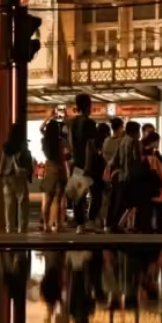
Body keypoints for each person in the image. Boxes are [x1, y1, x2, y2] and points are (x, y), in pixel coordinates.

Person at [67, 93, 99, 231]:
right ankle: (90, 220)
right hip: (88, 162)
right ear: (87, 106)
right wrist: (89, 163)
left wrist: (73, 159)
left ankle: (80, 223)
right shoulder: (89, 123)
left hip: (76, 162)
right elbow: (89, 145)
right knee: (96, 192)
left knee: (78, 193)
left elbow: (70, 142)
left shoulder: (71, 122)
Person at [0, 124, 34, 233]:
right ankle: (22, 228)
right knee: (22, 202)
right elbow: (28, 160)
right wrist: (29, 173)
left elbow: (2, 162)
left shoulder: (6, 146)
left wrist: (1, 173)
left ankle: (9, 227)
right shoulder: (23, 146)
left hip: (7, 176)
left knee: (9, 203)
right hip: (19, 176)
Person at [40, 114, 68, 232]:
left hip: (50, 170)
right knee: (58, 199)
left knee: (48, 199)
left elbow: (41, 128)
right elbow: (66, 153)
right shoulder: (61, 141)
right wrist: (65, 119)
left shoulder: (45, 141)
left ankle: (46, 225)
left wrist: (48, 118)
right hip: (60, 169)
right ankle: (58, 224)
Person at [142, 129, 162, 234]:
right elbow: (155, 171)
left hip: (149, 187)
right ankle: (157, 231)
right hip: (156, 187)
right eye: (158, 141)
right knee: (158, 211)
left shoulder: (148, 153)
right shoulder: (152, 155)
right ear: (153, 141)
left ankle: (149, 229)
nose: (158, 143)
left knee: (150, 211)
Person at [100, 117, 125, 231]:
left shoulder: (106, 141)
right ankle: (114, 223)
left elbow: (104, 157)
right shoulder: (121, 141)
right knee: (118, 198)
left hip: (108, 171)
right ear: (120, 127)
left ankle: (108, 222)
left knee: (110, 199)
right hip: (118, 172)